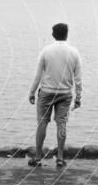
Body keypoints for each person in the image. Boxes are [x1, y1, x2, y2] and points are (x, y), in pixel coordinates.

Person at [27, 23, 82, 167]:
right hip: (65, 94)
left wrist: (32, 92)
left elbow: (38, 76)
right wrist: (78, 97)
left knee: (42, 123)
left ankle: (38, 157)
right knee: (61, 124)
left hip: (46, 93)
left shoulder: (46, 51)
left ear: (53, 35)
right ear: (67, 34)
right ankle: (60, 158)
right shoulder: (74, 52)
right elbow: (78, 78)